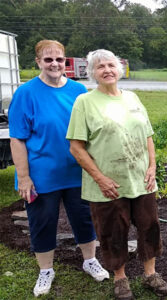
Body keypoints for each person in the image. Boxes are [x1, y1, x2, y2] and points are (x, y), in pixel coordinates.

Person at [66, 49, 167, 300]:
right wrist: (100, 178)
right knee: (113, 231)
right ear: (92, 73)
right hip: (107, 184)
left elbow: (147, 136)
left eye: (111, 65)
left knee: (150, 227)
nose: (107, 70)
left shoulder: (132, 98)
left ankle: (150, 274)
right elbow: (76, 147)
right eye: (100, 66)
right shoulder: (85, 102)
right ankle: (121, 279)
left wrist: (152, 166)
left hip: (141, 179)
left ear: (120, 68)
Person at [8, 40, 109, 297]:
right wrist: (24, 177)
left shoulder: (78, 90)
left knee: (84, 218)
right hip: (41, 176)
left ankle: (89, 260)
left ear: (66, 62)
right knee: (42, 222)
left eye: (59, 59)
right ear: (38, 62)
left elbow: (91, 130)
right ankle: (46, 271)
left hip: (77, 172)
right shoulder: (26, 93)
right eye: (48, 59)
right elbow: (17, 138)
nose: (54, 64)